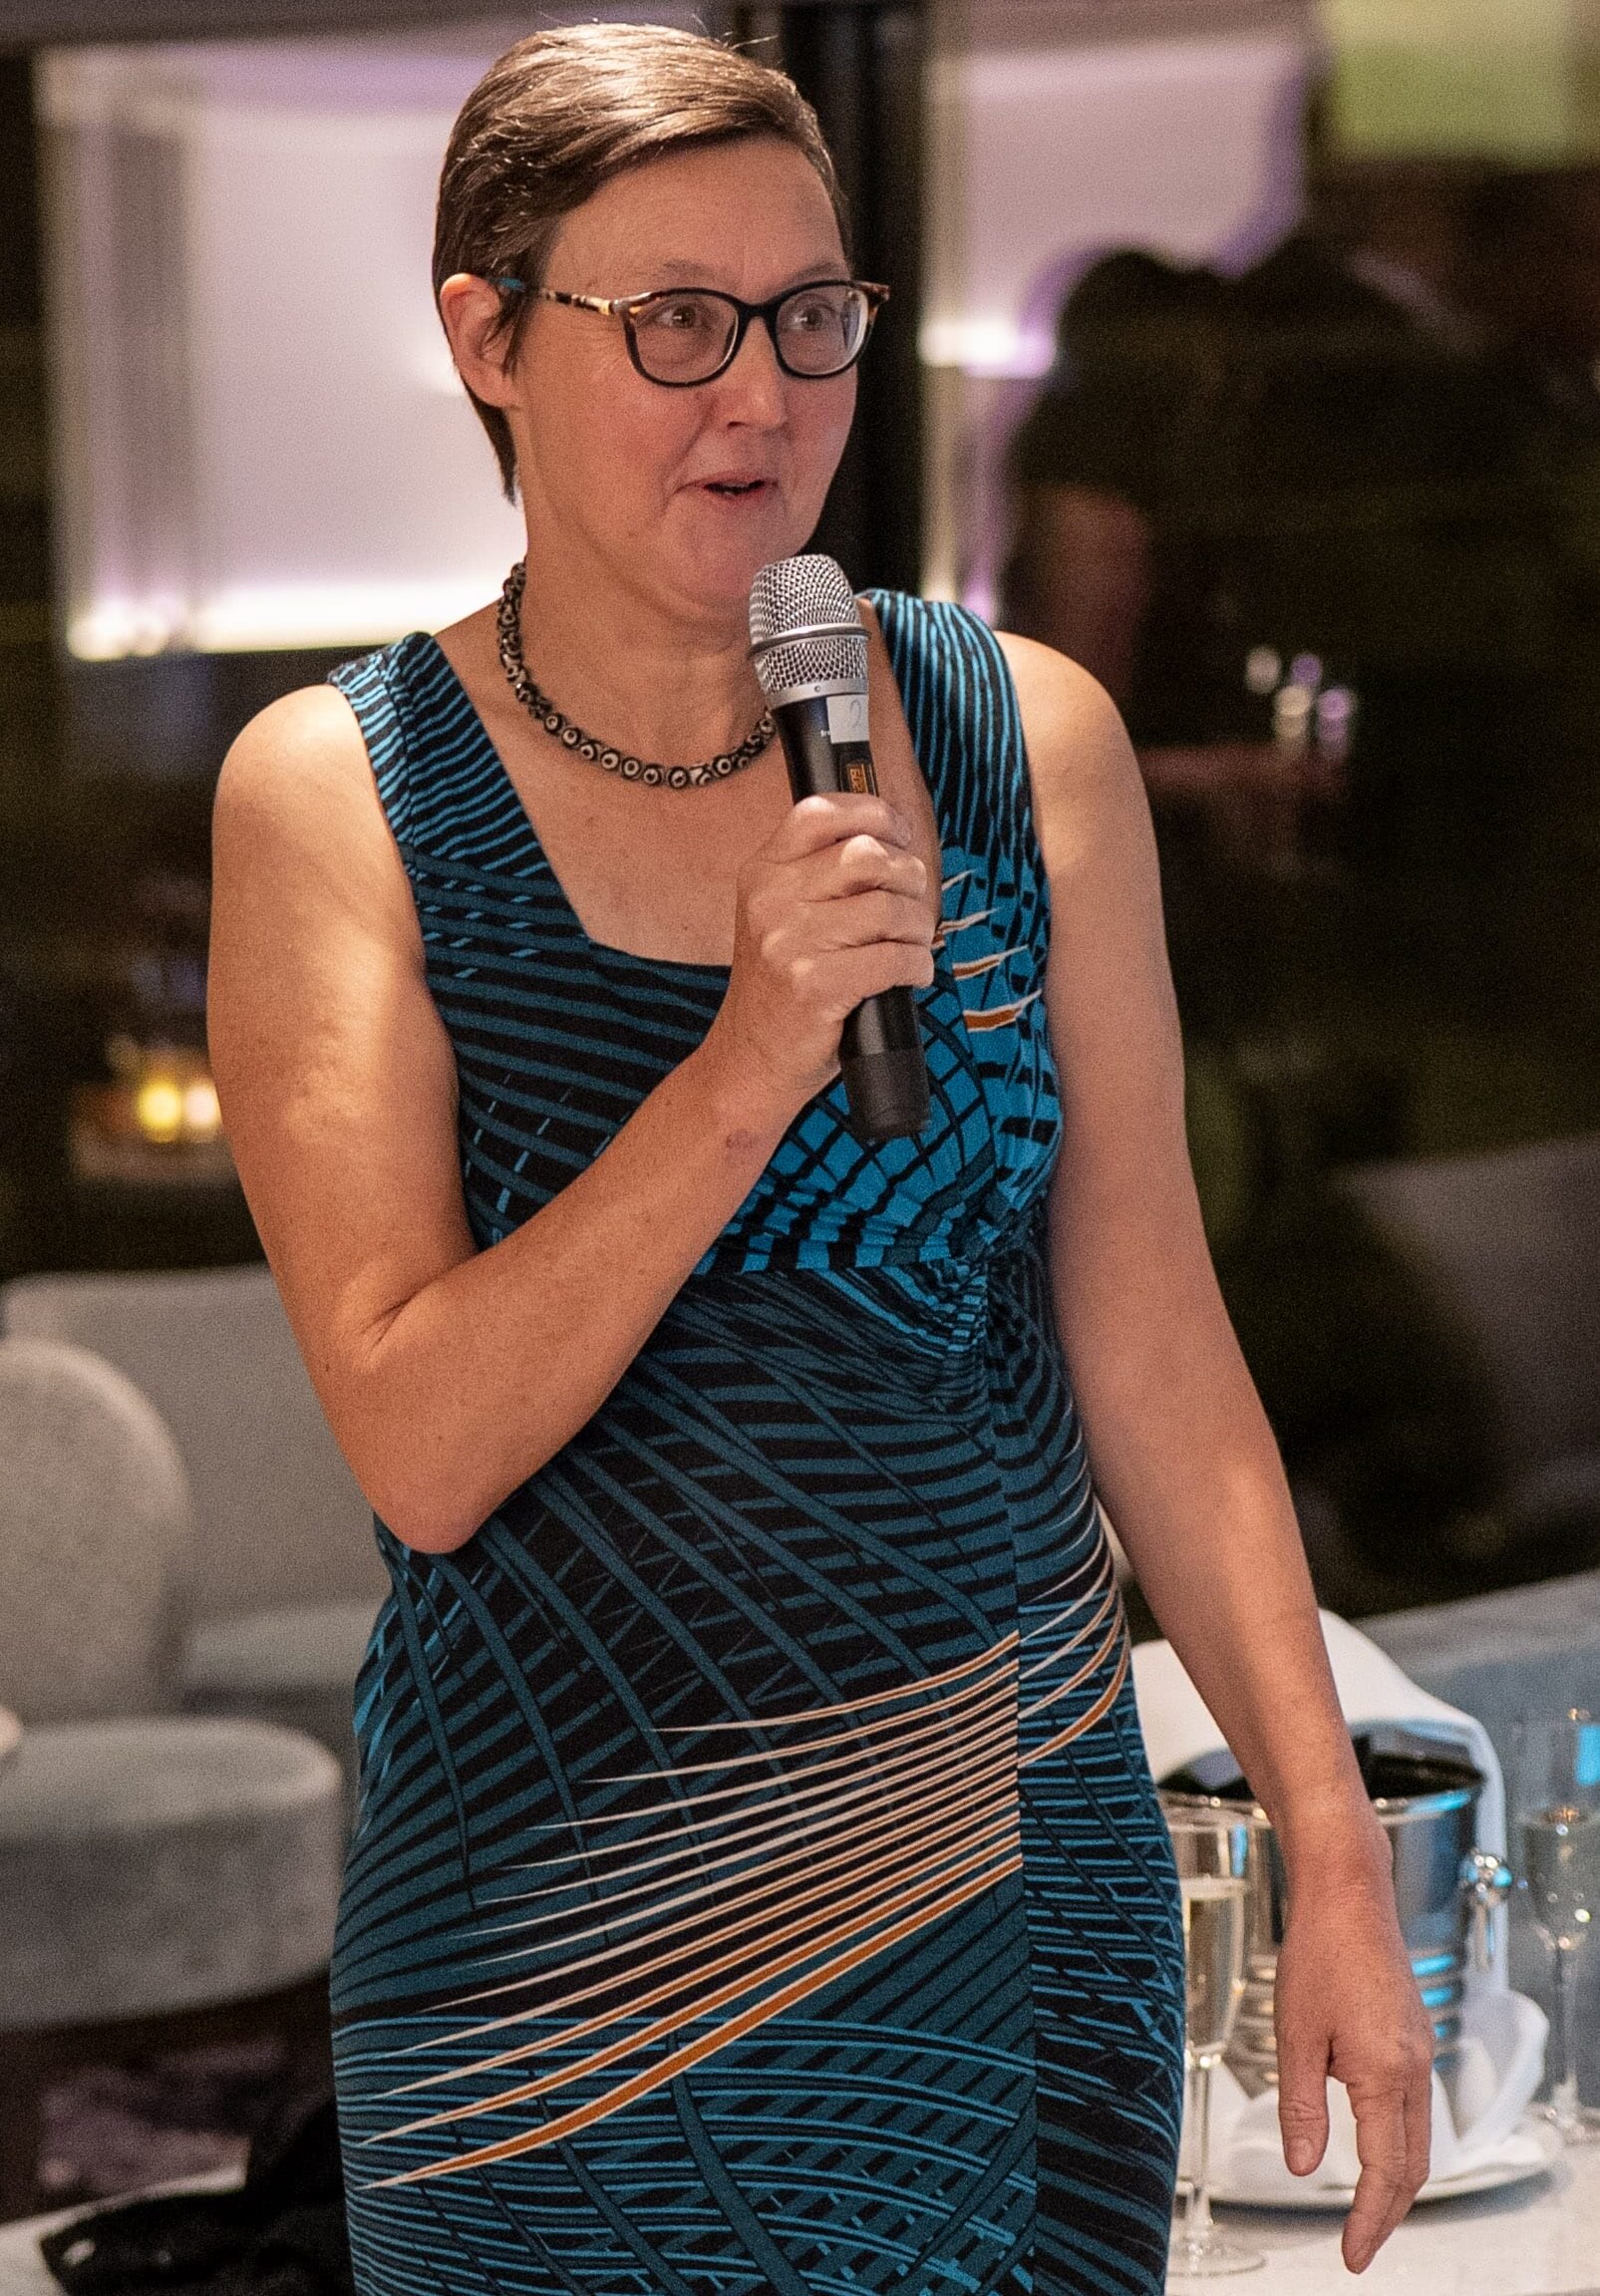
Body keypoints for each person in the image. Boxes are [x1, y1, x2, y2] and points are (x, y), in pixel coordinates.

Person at [206, 26, 1433, 2294]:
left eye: (808, 320)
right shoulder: (335, 795)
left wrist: (1327, 1859)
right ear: (484, 336)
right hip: (560, 1946)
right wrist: (746, 1059)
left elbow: (1155, 1349)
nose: (755, 400)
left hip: (1010, 1881)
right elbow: (422, 1447)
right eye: (670, 323)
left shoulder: (1018, 737)